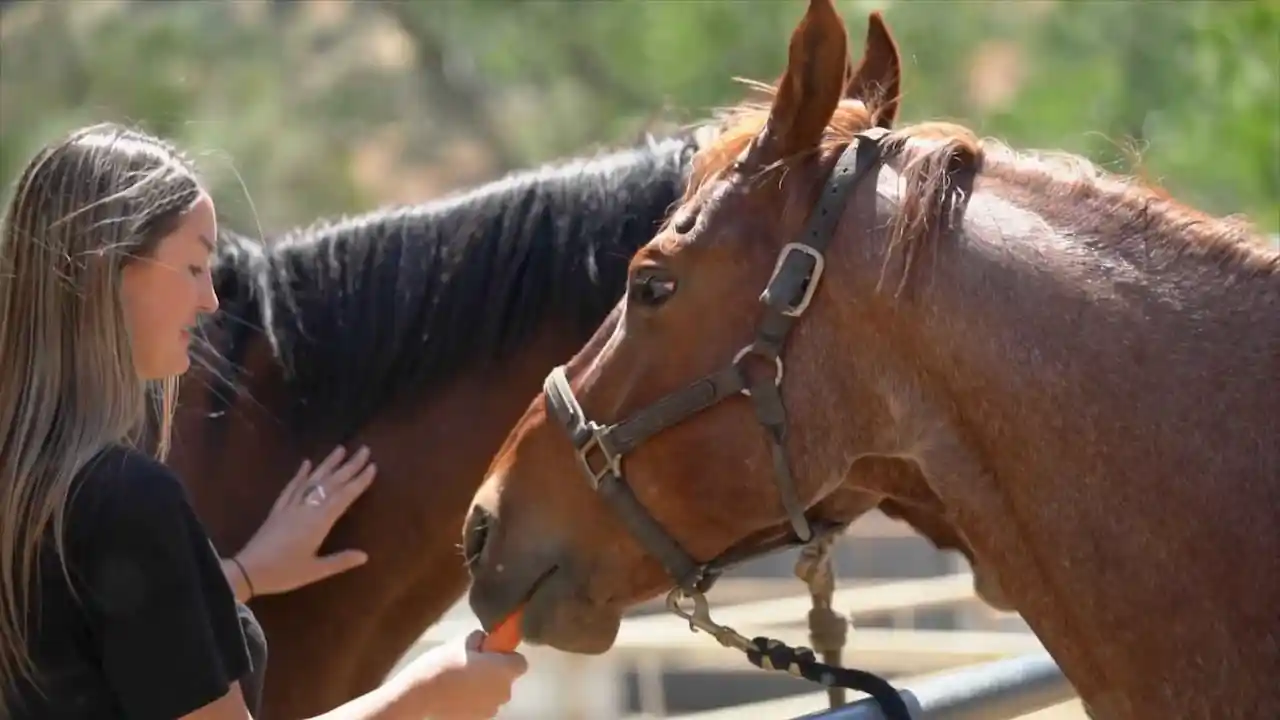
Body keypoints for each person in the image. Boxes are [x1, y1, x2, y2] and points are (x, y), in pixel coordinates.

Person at [0, 123, 529, 719]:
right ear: (112, 270)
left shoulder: (35, 485)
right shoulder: (126, 502)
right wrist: (427, 693)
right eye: (194, 268)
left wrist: (240, 575)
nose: (210, 302)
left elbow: (74, 639)